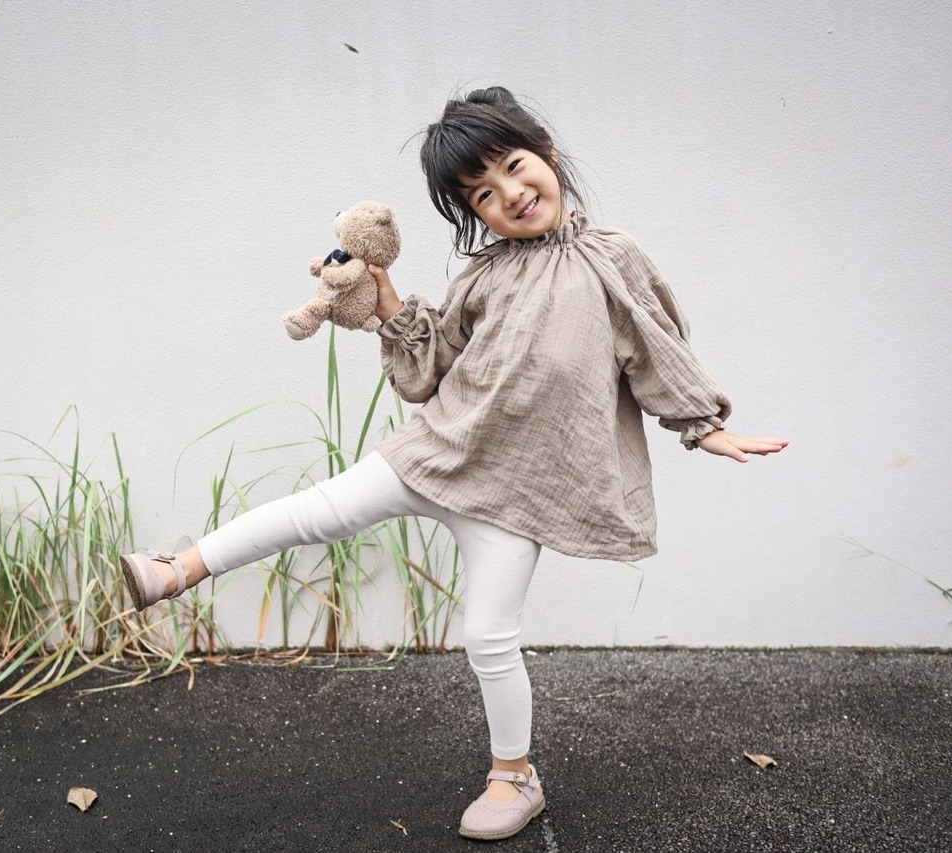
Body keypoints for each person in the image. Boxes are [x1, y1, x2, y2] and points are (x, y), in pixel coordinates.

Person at [119, 85, 787, 842]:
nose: (510, 193)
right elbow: (431, 365)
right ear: (474, 214)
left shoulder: (613, 259)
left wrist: (703, 427)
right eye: (483, 193)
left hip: (519, 489)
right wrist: (385, 300)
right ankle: (176, 568)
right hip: (440, 449)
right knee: (317, 510)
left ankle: (514, 775)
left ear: (548, 154)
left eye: (514, 166)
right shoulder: (484, 273)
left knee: (489, 636)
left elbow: (655, 347)